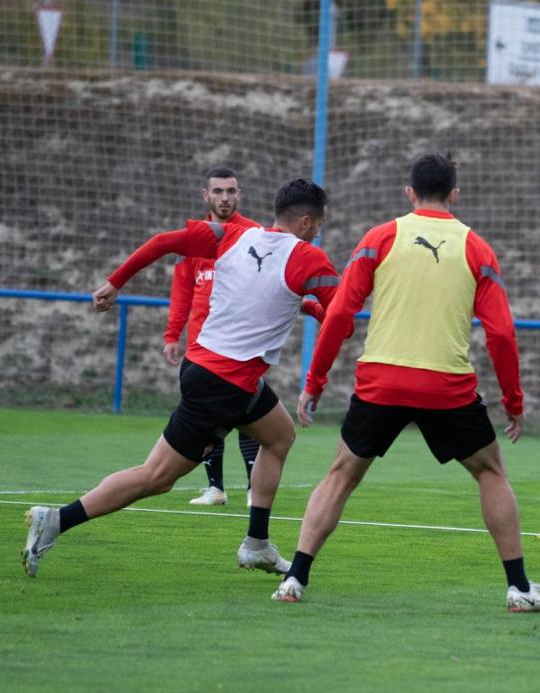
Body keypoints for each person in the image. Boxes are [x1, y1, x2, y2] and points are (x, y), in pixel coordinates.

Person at [274, 153, 540, 612]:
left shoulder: (379, 238)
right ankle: (519, 589)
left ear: (409, 193)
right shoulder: (476, 248)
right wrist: (513, 402)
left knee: (341, 474)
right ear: (454, 194)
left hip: (380, 381)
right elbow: (502, 333)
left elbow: (341, 314)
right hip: (446, 387)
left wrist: (315, 381)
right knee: (490, 472)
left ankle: (295, 579)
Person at [21, 179, 340, 581]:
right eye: (320, 224)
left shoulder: (235, 235)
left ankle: (257, 544)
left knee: (279, 436)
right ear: (308, 222)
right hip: (223, 385)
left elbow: (164, 242)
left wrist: (115, 282)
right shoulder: (311, 259)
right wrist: (322, 351)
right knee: (156, 477)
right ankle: (56, 520)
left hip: (207, 369)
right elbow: (341, 318)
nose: (320, 232)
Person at [162, 166, 324, 507]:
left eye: (231, 191)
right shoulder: (199, 239)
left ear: (240, 195)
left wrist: (309, 307)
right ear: (205, 195)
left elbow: (276, 290)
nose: (225, 197)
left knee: (258, 421)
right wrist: (172, 333)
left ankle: (254, 490)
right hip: (203, 348)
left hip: (239, 350)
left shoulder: (253, 235)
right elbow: (183, 291)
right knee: (167, 466)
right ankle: (216, 486)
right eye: (218, 191)